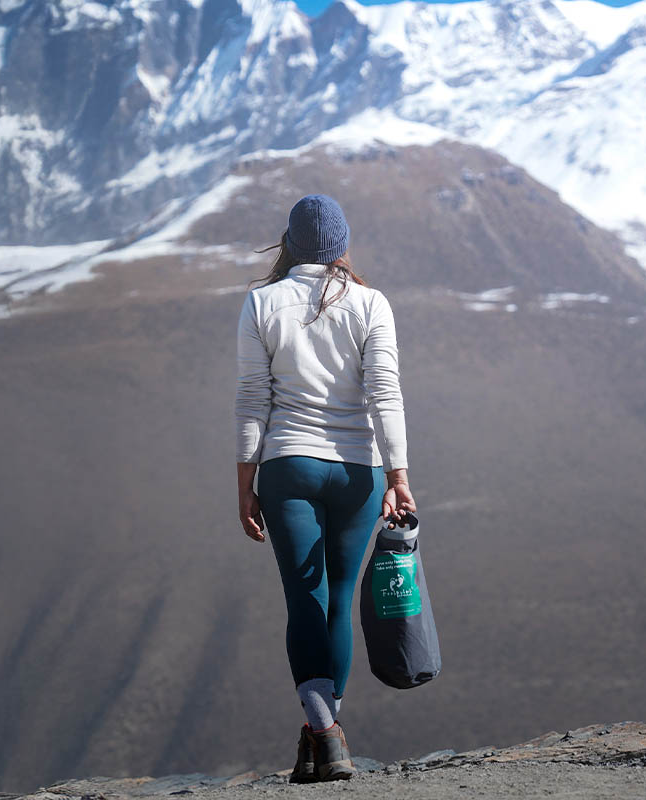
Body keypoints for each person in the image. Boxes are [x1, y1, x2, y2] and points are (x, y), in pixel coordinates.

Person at [234, 194, 416, 783]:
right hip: (358, 474)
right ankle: (323, 737)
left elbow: (251, 400)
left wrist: (244, 482)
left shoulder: (262, 302)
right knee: (337, 598)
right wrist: (398, 475)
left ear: (288, 244)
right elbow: (385, 392)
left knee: (303, 600)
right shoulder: (370, 303)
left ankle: (325, 733)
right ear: (341, 247)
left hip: (289, 467)